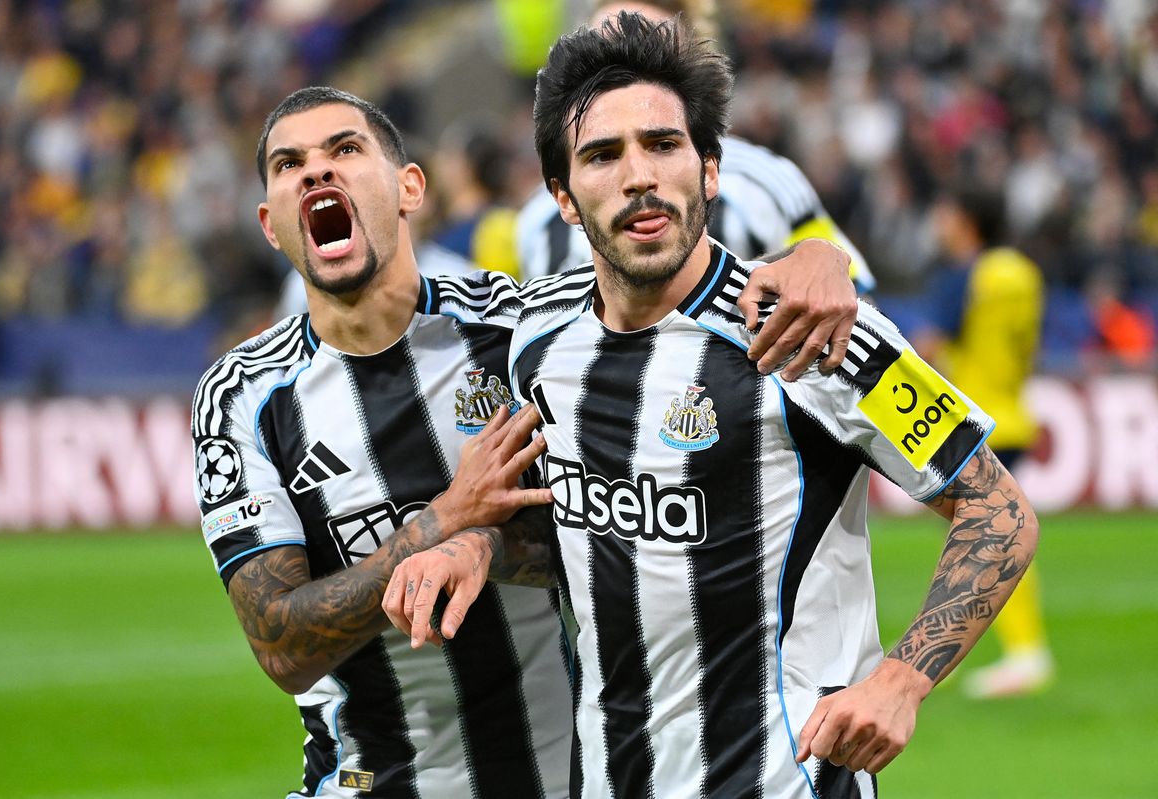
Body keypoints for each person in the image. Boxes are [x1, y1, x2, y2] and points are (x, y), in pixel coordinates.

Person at [385, 14, 1040, 797]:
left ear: (709, 170)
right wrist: (478, 547)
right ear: (562, 197)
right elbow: (581, 536)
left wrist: (902, 678)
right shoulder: (538, 337)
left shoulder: (815, 329)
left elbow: (999, 512)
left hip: (787, 779)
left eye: (662, 145)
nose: (638, 175)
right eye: (602, 155)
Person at [192, 85, 861, 797]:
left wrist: (819, 255)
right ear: (270, 222)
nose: (317, 173)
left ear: (409, 187)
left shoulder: (521, 329)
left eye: (345, 150)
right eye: (290, 164)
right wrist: (444, 518)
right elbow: (281, 644)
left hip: (559, 778)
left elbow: (674, 284)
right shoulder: (243, 398)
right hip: (362, 779)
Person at [514, 0, 877, 298]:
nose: (623, 75)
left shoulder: (767, 183)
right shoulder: (536, 221)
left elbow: (849, 294)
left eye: (647, 49)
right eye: (603, 54)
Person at [915, 187, 1054, 698]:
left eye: (947, 210)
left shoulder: (964, 274)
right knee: (1001, 525)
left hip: (972, 420)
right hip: (1015, 409)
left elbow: (930, 347)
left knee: (989, 534)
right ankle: (1024, 651)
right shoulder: (1021, 271)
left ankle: (1024, 653)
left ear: (967, 219)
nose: (939, 219)